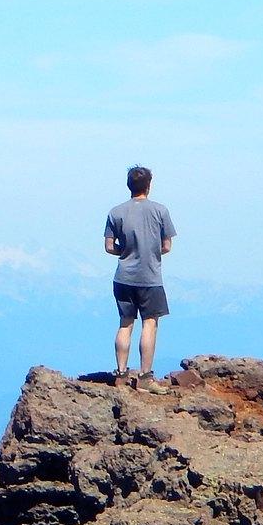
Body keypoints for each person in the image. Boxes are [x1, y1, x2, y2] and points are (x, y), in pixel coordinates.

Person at [105, 164, 176, 386]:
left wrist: (125, 251)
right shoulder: (160, 211)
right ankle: (145, 377)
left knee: (125, 323)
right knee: (149, 323)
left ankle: (121, 374)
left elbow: (109, 247)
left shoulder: (115, 212)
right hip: (150, 278)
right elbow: (166, 246)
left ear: (129, 185)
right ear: (149, 185)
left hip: (123, 277)